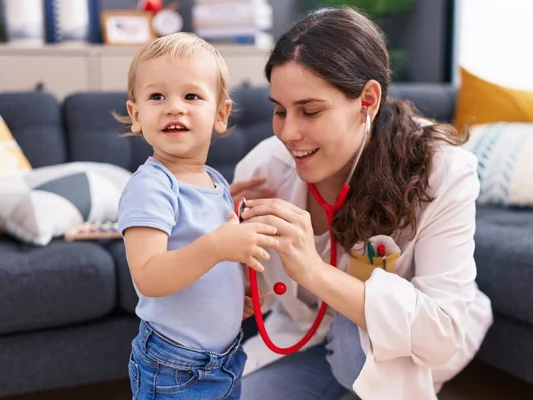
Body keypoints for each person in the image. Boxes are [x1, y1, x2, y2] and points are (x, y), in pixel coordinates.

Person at [233, 6, 494, 400]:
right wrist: (221, 243)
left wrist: (313, 270)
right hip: (310, 340)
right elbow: (237, 297)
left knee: (354, 344)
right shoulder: (263, 169)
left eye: (310, 110)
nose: (288, 132)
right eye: (279, 110)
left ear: (368, 100)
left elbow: (442, 331)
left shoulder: (442, 170)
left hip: (404, 349)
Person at [116, 32, 279, 399]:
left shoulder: (216, 182)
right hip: (174, 367)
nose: (174, 107)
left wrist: (238, 289)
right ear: (137, 114)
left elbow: (209, 257)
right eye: (157, 96)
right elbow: (150, 277)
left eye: (191, 96)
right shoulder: (151, 187)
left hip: (224, 358)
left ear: (220, 114)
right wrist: (219, 247)